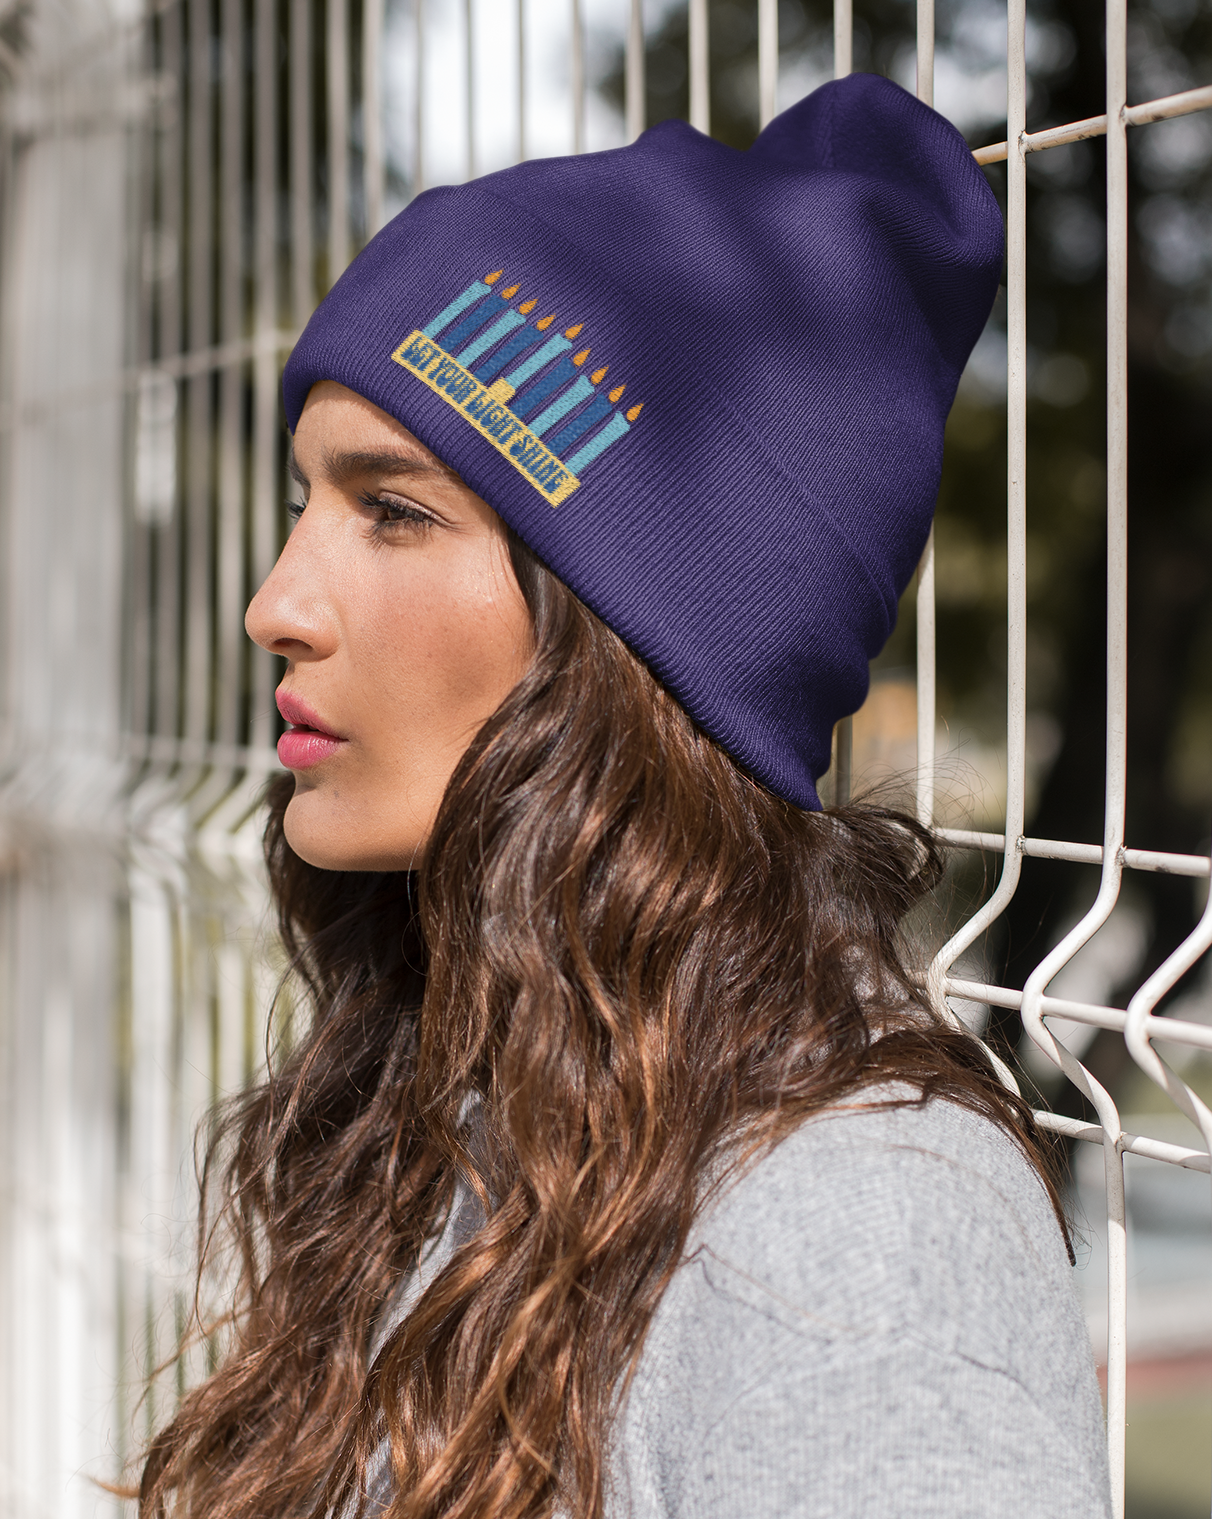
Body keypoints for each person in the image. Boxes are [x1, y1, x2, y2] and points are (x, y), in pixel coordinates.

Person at [138, 73, 1110, 1519]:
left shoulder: (854, 1239)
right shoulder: (479, 1102)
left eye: (393, 510)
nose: (275, 603)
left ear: (633, 642)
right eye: (306, 502)